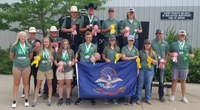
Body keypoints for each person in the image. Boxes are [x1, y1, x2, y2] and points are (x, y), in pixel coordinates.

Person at [169, 30, 194, 104]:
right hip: (175, 65)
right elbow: (169, 53)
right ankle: (173, 95)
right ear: (178, 36)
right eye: (181, 35)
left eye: (183, 35)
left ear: (185, 36)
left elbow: (192, 54)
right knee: (174, 81)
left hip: (184, 66)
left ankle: (184, 97)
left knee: (183, 82)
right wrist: (172, 54)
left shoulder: (188, 45)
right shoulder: (174, 44)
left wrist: (191, 56)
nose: (182, 37)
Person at [74, 31, 98, 105]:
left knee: (90, 81)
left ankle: (91, 97)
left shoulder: (94, 46)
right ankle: (81, 97)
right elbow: (77, 53)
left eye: (89, 37)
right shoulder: (81, 45)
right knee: (82, 81)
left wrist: (95, 59)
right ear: (85, 38)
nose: (88, 38)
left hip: (90, 66)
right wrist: (75, 58)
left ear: (91, 38)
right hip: (82, 66)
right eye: (87, 37)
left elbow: (96, 55)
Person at [10, 31, 33, 108]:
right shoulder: (14, 46)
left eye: (24, 36)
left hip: (26, 67)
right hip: (17, 67)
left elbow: (30, 56)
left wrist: (25, 61)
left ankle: (26, 99)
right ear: (19, 37)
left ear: (26, 37)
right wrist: (18, 62)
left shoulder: (29, 46)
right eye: (21, 36)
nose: (23, 37)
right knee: (16, 83)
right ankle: (14, 100)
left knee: (26, 83)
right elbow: (11, 57)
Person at [32, 37, 54, 107]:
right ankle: (35, 100)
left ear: (49, 43)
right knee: (38, 85)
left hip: (49, 69)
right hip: (41, 69)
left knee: (49, 85)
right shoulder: (39, 50)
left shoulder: (52, 50)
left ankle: (49, 99)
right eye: (45, 42)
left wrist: (53, 59)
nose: (46, 43)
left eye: (47, 42)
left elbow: (55, 59)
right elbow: (36, 58)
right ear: (43, 43)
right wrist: (36, 58)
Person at [21, 27, 42, 98]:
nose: (32, 34)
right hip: (27, 61)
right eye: (31, 33)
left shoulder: (38, 41)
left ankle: (38, 90)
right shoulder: (26, 41)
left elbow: (41, 51)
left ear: (35, 33)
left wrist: (38, 56)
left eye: (33, 33)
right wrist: (32, 50)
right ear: (29, 33)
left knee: (36, 76)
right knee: (27, 76)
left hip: (36, 61)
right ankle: (25, 91)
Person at [136, 39, 158, 105]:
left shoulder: (153, 53)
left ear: (150, 45)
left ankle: (147, 98)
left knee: (148, 86)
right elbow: (137, 61)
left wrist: (152, 60)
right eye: (146, 44)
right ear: (144, 45)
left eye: (148, 44)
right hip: (142, 70)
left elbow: (156, 63)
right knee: (140, 85)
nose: (147, 45)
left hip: (150, 71)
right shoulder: (140, 52)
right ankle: (138, 99)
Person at [43, 26, 62, 99]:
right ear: (50, 32)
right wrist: (51, 45)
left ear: (57, 32)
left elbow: (64, 46)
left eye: (55, 32)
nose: (54, 33)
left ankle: (53, 91)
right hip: (49, 59)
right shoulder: (47, 39)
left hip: (58, 59)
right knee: (48, 75)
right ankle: (45, 91)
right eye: (52, 32)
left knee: (55, 76)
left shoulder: (60, 39)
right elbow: (43, 46)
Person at [55, 39, 75, 106]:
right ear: (62, 45)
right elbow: (55, 60)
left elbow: (73, 60)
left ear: (68, 45)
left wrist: (72, 63)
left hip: (69, 70)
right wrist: (57, 64)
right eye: (64, 44)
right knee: (60, 85)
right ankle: (60, 98)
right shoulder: (58, 51)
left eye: (66, 44)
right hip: (60, 70)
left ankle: (68, 98)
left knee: (68, 84)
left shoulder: (71, 51)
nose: (65, 45)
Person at [151, 29, 169, 102]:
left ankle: (161, 95)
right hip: (153, 63)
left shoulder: (166, 43)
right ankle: (148, 95)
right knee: (150, 80)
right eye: (157, 34)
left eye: (160, 34)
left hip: (162, 64)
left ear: (162, 35)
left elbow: (167, 53)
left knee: (161, 81)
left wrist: (166, 60)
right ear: (155, 34)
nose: (159, 35)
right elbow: (150, 52)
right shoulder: (152, 42)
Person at [102, 35, 120, 105]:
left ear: (115, 41)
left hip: (115, 67)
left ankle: (114, 98)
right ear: (109, 41)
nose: (112, 41)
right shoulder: (106, 48)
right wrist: (106, 59)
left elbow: (119, 55)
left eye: (113, 40)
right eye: (111, 40)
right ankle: (106, 98)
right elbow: (103, 55)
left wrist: (119, 56)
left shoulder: (118, 48)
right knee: (107, 83)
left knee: (114, 84)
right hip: (108, 67)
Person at [121, 35, 139, 105]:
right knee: (125, 82)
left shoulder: (136, 49)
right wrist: (132, 57)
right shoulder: (124, 48)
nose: (131, 42)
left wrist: (138, 69)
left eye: (132, 40)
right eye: (129, 40)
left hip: (133, 68)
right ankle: (124, 98)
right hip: (125, 68)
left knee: (133, 83)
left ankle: (133, 99)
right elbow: (123, 58)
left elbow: (137, 60)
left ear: (134, 41)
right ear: (127, 40)